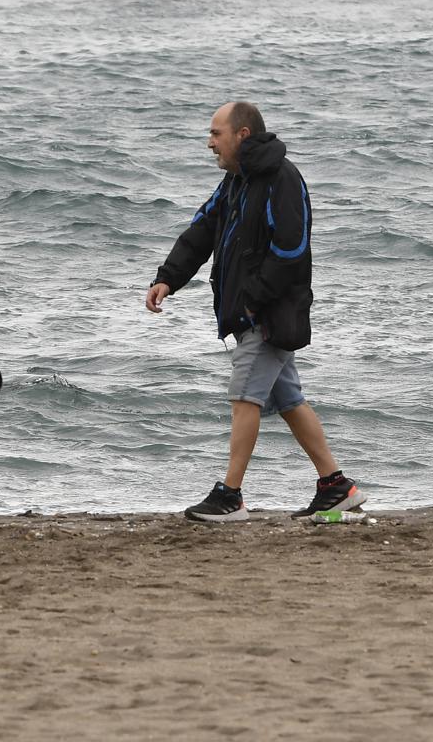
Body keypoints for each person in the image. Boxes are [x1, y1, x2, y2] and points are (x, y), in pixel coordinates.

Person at [145, 101, 365, 523]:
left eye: (216, 134)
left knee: (244, 395)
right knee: (289, 400)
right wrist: (168, 278)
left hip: (267, 315)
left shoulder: (281, 179)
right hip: (255, 312)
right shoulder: (235, 181)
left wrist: (252, 300)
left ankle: (230, 495)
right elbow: (201, 232)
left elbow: (291, 249)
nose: (209, 143)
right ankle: (336, 487)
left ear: (242, 135)